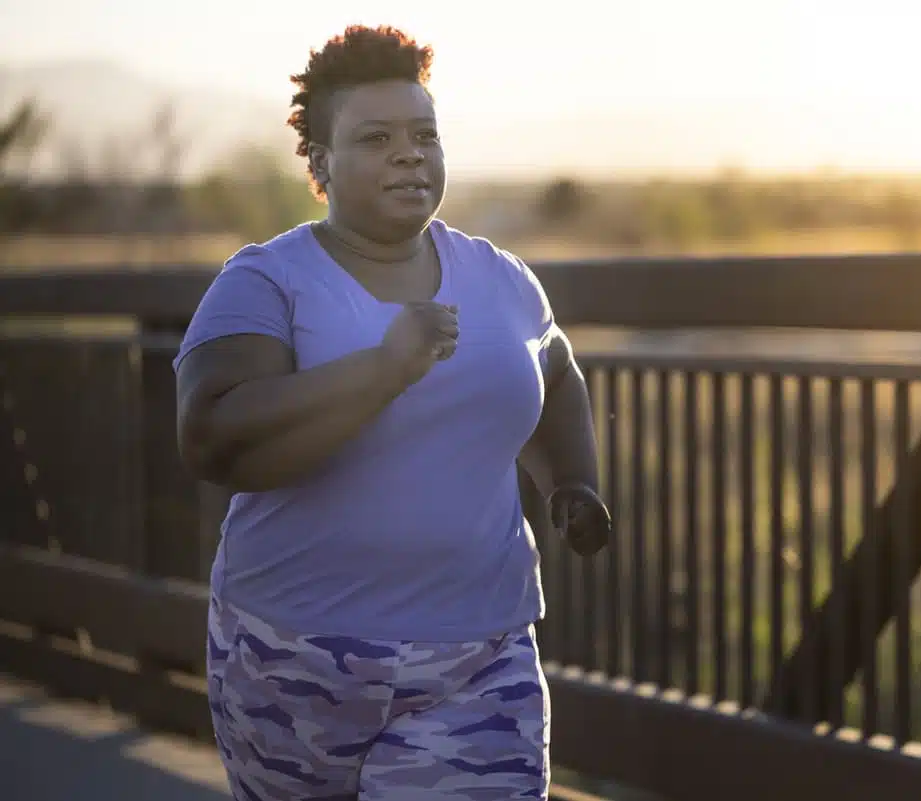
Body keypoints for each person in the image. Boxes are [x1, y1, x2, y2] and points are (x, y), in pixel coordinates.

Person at [173, 24, 611, 801]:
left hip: (480, 652)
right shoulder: (266, 281)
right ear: (319, 164)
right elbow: (212, 435)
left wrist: (570, 483)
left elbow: (555, 371)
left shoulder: (500, 278)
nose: (410, 153)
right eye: (376, 138)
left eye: (424, 134)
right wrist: (381, 371)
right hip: (293, 654)